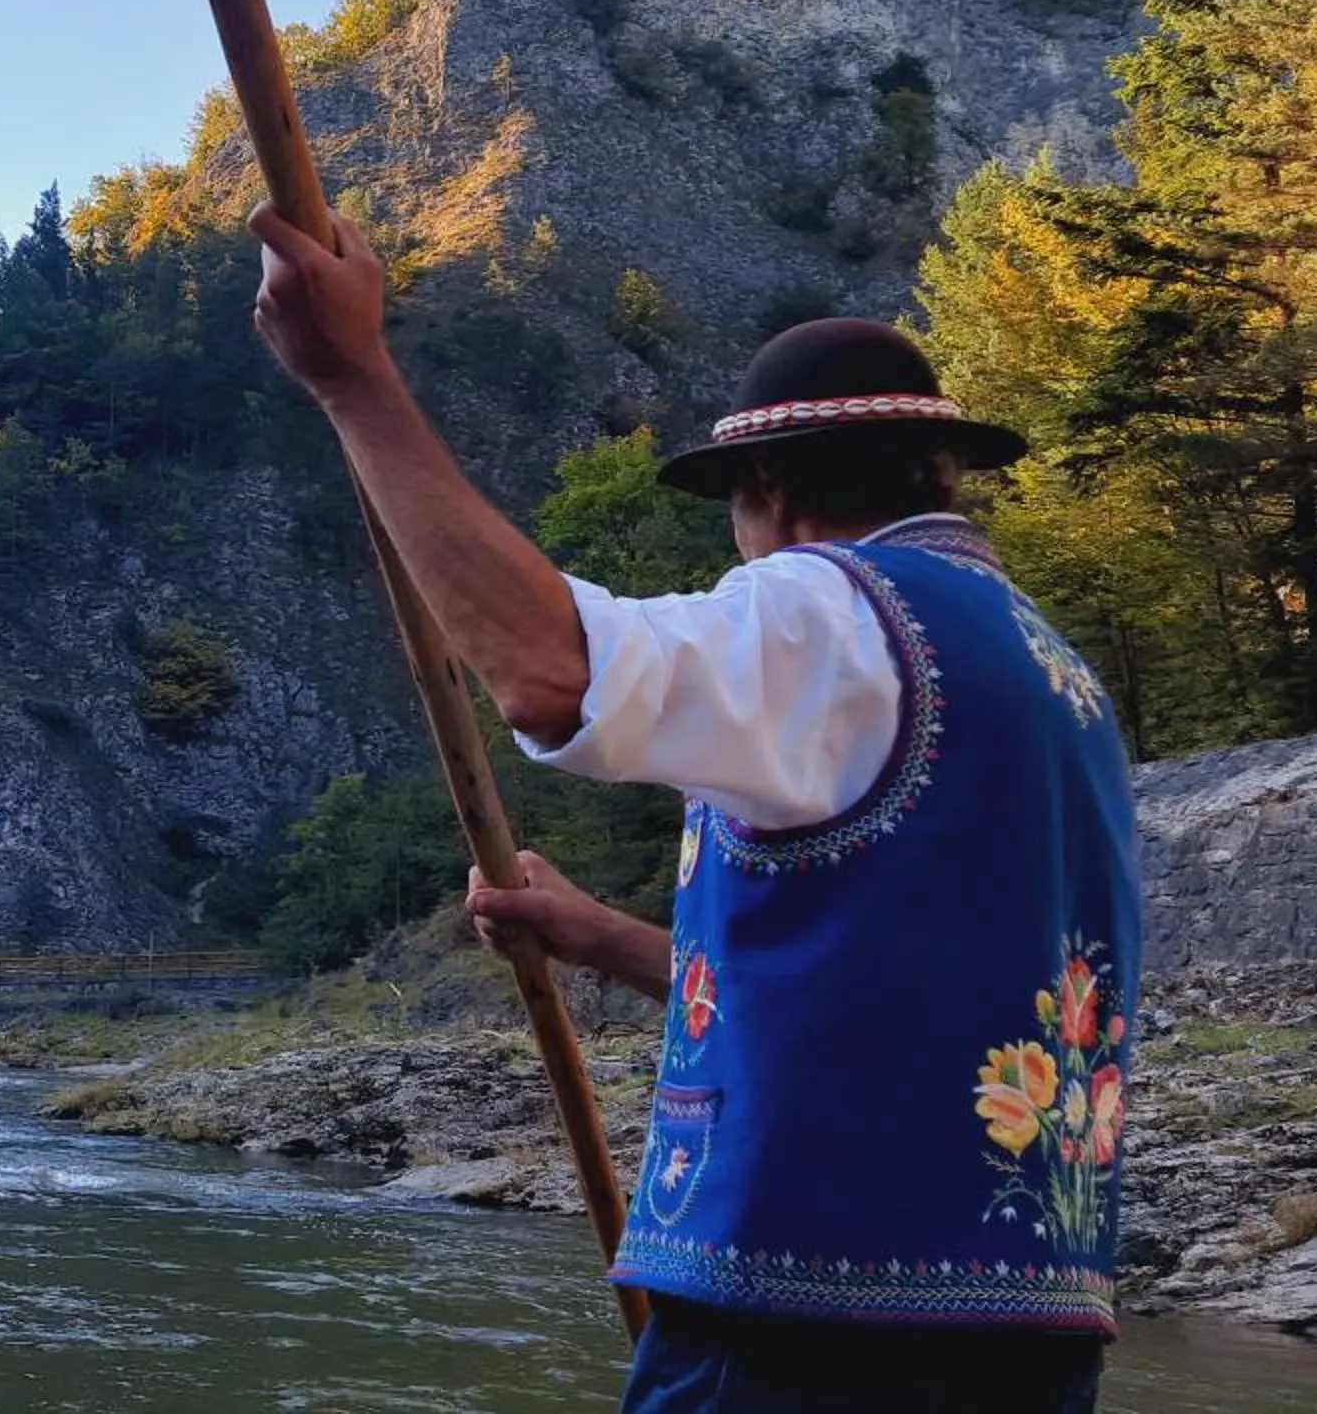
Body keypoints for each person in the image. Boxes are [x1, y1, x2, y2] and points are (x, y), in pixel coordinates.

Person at [247, 204, 1141, 1414]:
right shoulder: (1052, 673)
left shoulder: (831, 609)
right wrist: (591, 934)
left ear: (767, 485)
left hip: (815, 1320)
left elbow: (550, 670)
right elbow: (869, 986)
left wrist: (355, 383)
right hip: (1023, 1331)